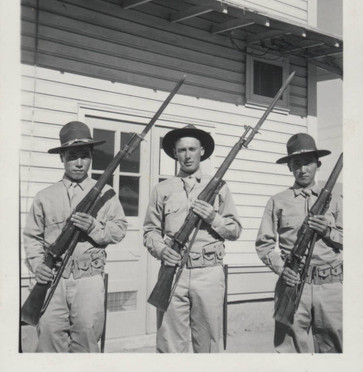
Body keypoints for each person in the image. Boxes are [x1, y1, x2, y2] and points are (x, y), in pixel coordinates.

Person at [23, 121, 128, 353]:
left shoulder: (107, 194)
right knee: (49, 342)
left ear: (91, 156)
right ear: (62, 157)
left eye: (84, 156)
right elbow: (32, 237)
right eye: (72, 156)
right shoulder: (44, 196)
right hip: (52, 281)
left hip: (88, 279)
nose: (79, 163)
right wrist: (37, 265)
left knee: (87, 343)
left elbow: (119, 229)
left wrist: (94, 227)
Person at [143, 124, 242, 353]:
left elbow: (235, 230)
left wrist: (213, 218)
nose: (187, 156)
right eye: (182, 150)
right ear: (175, 154)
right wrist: (160, 249)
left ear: (202, 151)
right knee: (169, 345)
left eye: (192, 149)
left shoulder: (219, 187)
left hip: (208, 272)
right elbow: (150, 231)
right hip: (172, 270)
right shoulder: (162, 189)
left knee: (208, 344)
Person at [255, 133, 343, 353]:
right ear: (289, 168)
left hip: (330, 285)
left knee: (335, 350)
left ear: (318, 164)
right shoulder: (277, 201)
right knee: (290, 352)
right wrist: (282, 269)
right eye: (296, 165)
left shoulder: (337, 200)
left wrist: (328, 231)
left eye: (308, 163)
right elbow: (263, 245)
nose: (302, 170)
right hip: (292, 284)